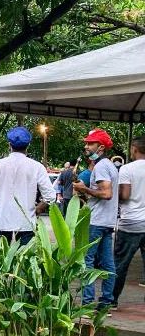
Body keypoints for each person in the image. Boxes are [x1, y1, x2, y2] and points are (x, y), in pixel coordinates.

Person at [0, 126, 55, 245]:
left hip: (2, 219)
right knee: (25, 259)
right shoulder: (37, 167)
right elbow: (50, 196)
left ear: (9, 145)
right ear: (28, 145)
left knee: (1, 259)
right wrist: (39, 208)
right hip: (26, 220)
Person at [73, 128, 119, 310]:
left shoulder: (100, 167)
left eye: (89, 143)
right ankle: (106, 303)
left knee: (87, 261)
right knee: (108, 264)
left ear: (100, 147)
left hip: (96, 221)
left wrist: (84, 190)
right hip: (106, 222)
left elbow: (106, 193)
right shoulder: (110, 166)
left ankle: (86, 303)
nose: (86, 146)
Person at [113, 137, 145, 307]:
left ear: (134, 149)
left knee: (120, 263)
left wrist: (113, 194)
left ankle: (111, 300)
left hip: (131, 222)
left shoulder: (127, 169)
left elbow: (125, 195)